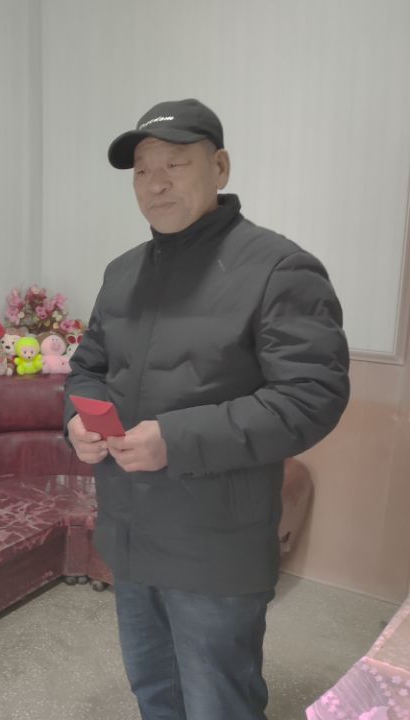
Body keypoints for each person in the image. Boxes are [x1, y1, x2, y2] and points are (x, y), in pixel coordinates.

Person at [65, 98, 349, 720]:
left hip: (216, 548)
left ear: (219, 167)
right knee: (154, 694)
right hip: (131, 533)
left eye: (175, 163)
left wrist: (175, 439)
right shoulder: (123, 273)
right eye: (142, 170)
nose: (156, 183)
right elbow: (88, 367)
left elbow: (311, 397)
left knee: (219, 703)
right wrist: (77, 419)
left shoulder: (279, 268)